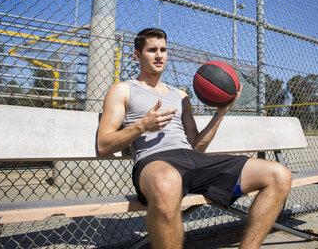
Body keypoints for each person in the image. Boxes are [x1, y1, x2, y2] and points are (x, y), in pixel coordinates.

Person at [97, 28, 292, 249]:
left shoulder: (180, 95)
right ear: (137, 55)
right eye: (152, 50)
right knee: (166, 183)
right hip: (154, 161)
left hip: (192, 160)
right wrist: (142, 125)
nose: (159, 55)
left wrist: (221, 113)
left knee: (279, 175)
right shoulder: (123, 90)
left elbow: (196, 147)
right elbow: (104, 145)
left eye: (163, 50)